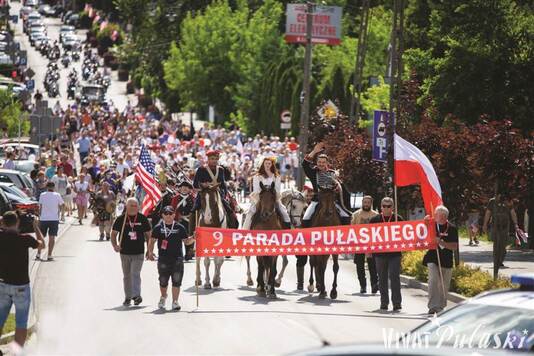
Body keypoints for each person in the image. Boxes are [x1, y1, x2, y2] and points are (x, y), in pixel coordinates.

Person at [0, 212, 45, 348]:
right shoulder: (25, 239)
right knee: (20, 322)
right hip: (21, 286)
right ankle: (16, 351)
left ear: (3, 223)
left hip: (2, 284)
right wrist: (36, 227)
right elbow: (42, 245)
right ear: (18, 223)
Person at [147, 206, 195, 311]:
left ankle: (175, 301)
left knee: (176, 281)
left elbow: (186, 241)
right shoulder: (158, 227)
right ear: (162, 215)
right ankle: (163, 297)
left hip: (177, 259)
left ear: (174, 215)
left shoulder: (180, 227)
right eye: (166, 213)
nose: (168, 216)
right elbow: (152, 240)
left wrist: (194, 238)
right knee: (163, 281)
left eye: (170, 214)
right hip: (163, 259)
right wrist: (150, 252)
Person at [110, 198, 152, 307]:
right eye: (131, 205)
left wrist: (149, 249)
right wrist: (115, 245)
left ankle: (137, 295)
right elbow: (113, 234)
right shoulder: (121, 219)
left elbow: (149, 235)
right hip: (124, 252)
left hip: (138, 252)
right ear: (126, 207)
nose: (133, 207)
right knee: (127, 275)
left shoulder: (142, 218)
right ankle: (128, 297)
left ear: (138, 207)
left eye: (135, 205)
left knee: (135, 273)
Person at [301, 142, 351, 228]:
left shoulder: (333, 174)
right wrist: (314, 151)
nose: (321, 164)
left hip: (332, 200)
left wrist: (337, 188)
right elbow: (304, 165)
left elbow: (341, 188)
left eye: (323, 162)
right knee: (305, 220)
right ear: (317, 163)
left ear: (326, 163)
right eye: (319, 162)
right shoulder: (313, 173)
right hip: (317, 201)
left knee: (346, 217)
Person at [423, 205, 458, 314]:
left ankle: (441, 307)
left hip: (446, 260)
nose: (440, 217)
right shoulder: (432, 226)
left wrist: (441, 242)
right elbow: (421, 231)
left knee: (444, 284)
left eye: (443, 215)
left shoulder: (452, 228)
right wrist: (425, 222)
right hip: (432, 258)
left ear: (446, 216)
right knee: (433, 280)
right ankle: (432, 306)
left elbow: (454, 246)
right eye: (438, 215)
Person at [371, 197, 403, 311]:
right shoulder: (374, 220)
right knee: (382, 279)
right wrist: (369, 251)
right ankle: (384, 303)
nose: (386, 208)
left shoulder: (397, 219)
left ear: (392, 207)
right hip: (380, 254)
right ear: (381, 207)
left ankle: (397, 303)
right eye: (384, 206)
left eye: (388, 206)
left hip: (395, 254)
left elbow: (404, 236)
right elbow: (369, 236)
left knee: (394, 277)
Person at [242, 157, 291, 230]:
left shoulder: (276, 177)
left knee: (284, 213)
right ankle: (245, 232)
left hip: (273, 198)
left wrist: (272, 193)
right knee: (250, 214)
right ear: (263, 164)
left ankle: (288, 231)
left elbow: (277, 190)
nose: (267, 165)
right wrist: (264, 191)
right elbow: (256, 190)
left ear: (272, 165)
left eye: (269, 163)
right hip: (260, 198)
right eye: (266, 163)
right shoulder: (257, 176)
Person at [192, 150, 238, 228]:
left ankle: (232, 228)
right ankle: (191, 233)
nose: (214, 161)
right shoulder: (201, 169)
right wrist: (204, 185)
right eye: (212, 159)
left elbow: (223, 185)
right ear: (208, 159)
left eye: (216, 159)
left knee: (229, 209)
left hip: (218, 192)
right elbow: (195, 184)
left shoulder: (220, 169)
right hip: (204, 193)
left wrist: (225, 194)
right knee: (194, 209)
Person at [483, 192, 518, 279]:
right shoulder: (492, 201)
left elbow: (512, 212)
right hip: (495, 226)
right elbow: (488, 213)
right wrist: (485, 224)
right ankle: (496, 261)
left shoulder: (508, 201)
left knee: (502, 245)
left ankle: (500, 259)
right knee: (496, 244)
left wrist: (516, 224)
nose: (499, 196)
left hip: (505, 226)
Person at [351, 195, 379, 294]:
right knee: (360, 267)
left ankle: (374, 285)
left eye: (368, 202)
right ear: (362, 203)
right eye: (365, 202)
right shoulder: (355, 215)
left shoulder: (376, 215)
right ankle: (363, 286)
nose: (366, 204)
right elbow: (351, 229)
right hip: (359, 245)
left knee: (373, 266)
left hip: (372, 246)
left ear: (371, 204)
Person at [37, 182, 64, 261]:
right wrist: (61, 214)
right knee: (52, 237)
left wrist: (39, 217)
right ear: (54, 187)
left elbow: (40, 207)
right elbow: (62, 204)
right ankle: (49, 255)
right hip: (54, 219)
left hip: (44, 219)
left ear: (46, 187)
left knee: (41, 237)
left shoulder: (42, 195)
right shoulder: (57, 195)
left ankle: (38, 253)